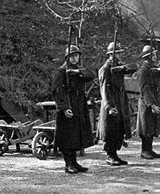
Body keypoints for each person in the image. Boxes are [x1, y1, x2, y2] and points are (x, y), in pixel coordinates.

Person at [52, 45, 95, 174]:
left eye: (76, 55)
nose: (74, 58)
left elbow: (91, 74)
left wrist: (77, 72)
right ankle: (68, 163)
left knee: (76, 135)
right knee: (67, 137)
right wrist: (64, 107)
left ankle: (74, 162)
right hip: (68, 107)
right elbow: (58, 91)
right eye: (71, 56)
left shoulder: (77, 70)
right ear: (67, 57)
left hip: (79, 106)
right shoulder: (61, 71)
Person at [97, 42, 135, 166]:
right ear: (110, 55)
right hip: (111, 102)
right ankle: (109, 155)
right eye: (116, 53)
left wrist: (122, 68)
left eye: (119, 53)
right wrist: (109, 106)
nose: (119, 55)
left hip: (120, 101)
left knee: (119, 130)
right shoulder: (105, 69)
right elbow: (104, 89)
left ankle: (115, 155)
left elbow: (134, 67)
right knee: (110, 130)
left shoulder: (118, 68)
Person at [136, 45, 160, 159]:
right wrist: (151, 104)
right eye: (154, 54)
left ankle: (150, 149)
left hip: (154, 98)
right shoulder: (143, 70)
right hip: (147, 101)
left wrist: (159, 69)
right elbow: (144, 89)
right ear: (149, 56)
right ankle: (144, 150)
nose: (156, 56)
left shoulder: (153, 68)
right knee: (146, 126)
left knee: (152, 126)